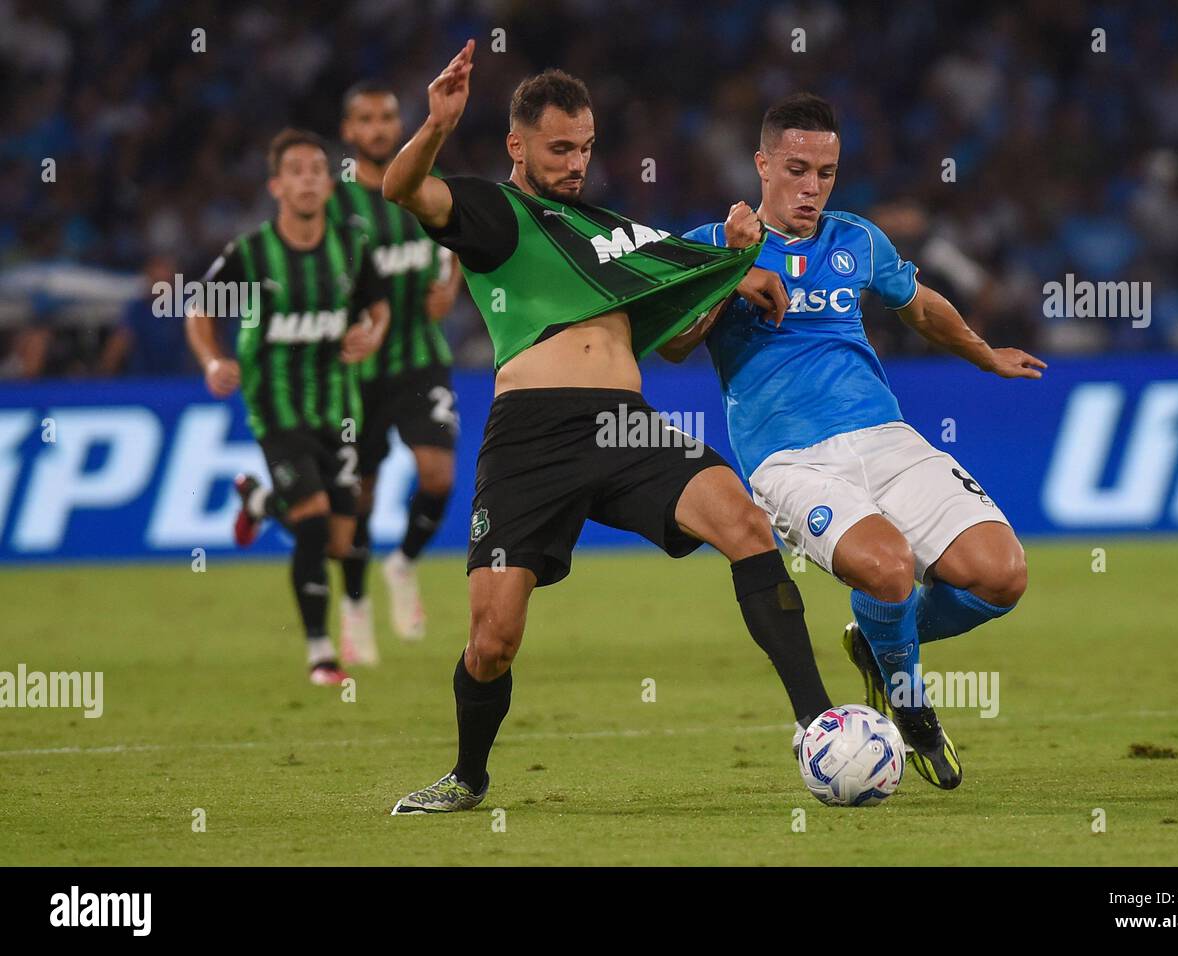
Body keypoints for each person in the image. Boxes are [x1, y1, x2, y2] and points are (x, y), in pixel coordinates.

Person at [382, 40, 832, 814]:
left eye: (585, 147)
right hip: (529, 437)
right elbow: (401, 189)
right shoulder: (496, 212)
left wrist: (730, 261)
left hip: (624, 427)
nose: (575, 162)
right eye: (559, 148)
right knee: (493, 642)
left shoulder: (611, 235)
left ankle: (820, 724)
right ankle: (468, 776)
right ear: (517, 145)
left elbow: (682, 339)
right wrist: (436, 125)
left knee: (744, 522)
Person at [672, 94, 1046, 789]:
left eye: (826, 172)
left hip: (885, 437)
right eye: (796, 169)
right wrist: (731, 267)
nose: (811, 187)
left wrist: (984, 353)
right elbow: (672, 344)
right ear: (761, 165)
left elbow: (921, 306)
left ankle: (876, 647)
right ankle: (911, 704)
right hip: (790, 460)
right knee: (889, 567)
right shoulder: (713, 243)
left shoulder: (858, 240)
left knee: (1002, 574)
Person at [185, 128, 390, 685]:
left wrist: (371, 335)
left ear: (328, 183)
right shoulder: (251, 253)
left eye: (315, 170)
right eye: (295, 170)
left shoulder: (351, 246)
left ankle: (259, 502)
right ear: (277, 185)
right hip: (276, 406)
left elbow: (378, 306)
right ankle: (322, 654)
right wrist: (210, 361)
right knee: (316, 523)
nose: (306, 179)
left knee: (342, 541)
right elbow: (198, 307)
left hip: (339, 407)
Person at [328, 80, 464, 662]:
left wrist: (451, 284)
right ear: (349, 132)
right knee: (359, 497)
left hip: (420, 356)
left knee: (437, 475)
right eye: (366, 119)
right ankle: (355, 606)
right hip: (356, 374)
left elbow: (455, 239)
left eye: (388, 116)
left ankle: (403, 563)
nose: (380, 128)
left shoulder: (420, 183)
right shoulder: (334, 204)